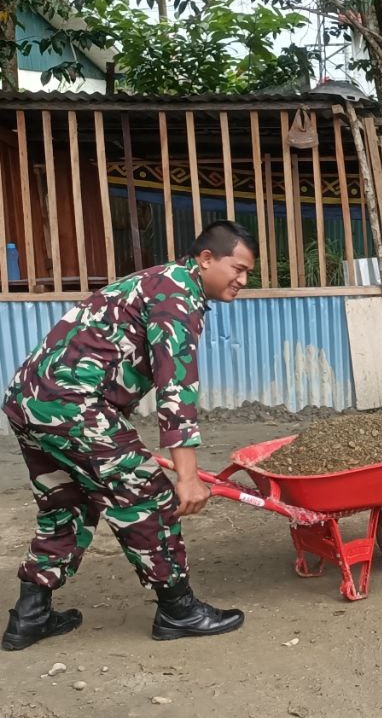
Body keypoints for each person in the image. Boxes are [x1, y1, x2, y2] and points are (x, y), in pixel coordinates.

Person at [2, 221, 257, 651]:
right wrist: (187, 477)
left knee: (65, 502)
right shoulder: (176, 294)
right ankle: (177, 610)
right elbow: (176, 389)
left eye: (248, 273)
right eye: (238, 268)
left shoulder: (156, 282)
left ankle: (30, 615)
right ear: (206, 258)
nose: (243, 281)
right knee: (148, 495)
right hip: (73, 405)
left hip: (30, 401)